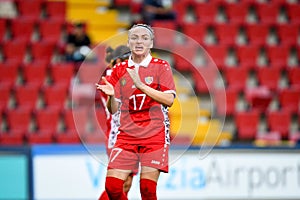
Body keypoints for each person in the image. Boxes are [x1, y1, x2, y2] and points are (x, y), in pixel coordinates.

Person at [96, 24, 176, 200]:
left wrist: (141, 85)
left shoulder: (161, 66)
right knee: (113, 186)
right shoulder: (118, 70)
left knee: (146, 189)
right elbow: (113, 109)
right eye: (134, 38)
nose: (139, 42)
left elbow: (169, 100)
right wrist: (111, 97)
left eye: (144, 38)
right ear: (129, 42)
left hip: (154, 134)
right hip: (126, 134)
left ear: (151, 43)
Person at [98, 45, 133, 200]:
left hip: (133, 137)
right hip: (117, 138)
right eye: (125, 59)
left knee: (127, 184)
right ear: (117, 61)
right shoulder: (110, 79)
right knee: (119, 183)